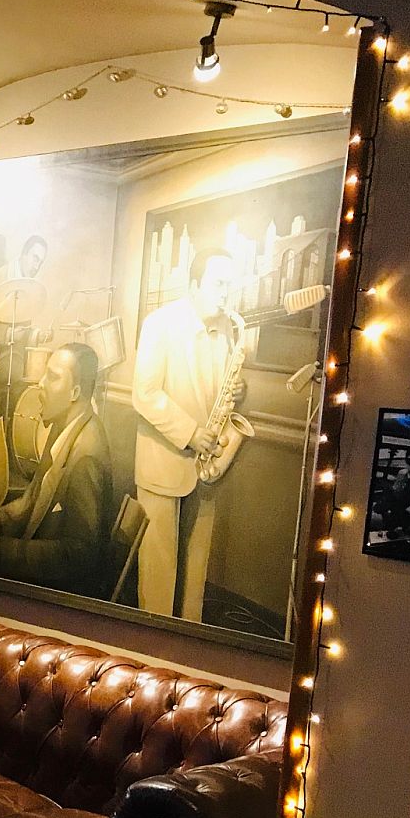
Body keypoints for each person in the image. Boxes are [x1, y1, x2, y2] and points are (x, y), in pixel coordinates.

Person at [131, 247, 247, 620]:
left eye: (230, 285)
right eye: (218, 283)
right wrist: (191, 433)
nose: (226, 294)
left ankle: (188, 644)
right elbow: (144, 394)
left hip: (205, 466)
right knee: (158, 576)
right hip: (164, 461)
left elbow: (218, 390)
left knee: (195, 578)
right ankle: (150, 649)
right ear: (194, 284)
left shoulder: (227, 329)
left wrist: (238, 391)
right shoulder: (160, 324)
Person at [0, 343, 112, 596]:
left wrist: (7, 549)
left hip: (60, 594)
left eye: (53, 377)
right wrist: (0, 519)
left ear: (75, 392)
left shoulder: (87, 457)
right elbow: (34, 496)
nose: (41, 384)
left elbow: (80, 554)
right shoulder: (63, 425)